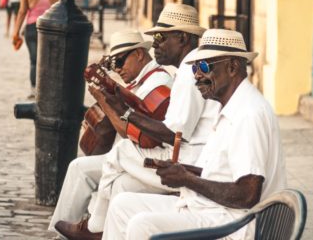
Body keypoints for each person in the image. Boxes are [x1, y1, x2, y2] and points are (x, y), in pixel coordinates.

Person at [53, 3, 221, 240]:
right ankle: (94, 229)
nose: (155, 45)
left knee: (121, 153)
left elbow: (174, 135)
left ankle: (94, 230)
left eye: (161, 38)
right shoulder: (189, 67)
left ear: (182, 38)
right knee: (121, 185)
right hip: (190, 156)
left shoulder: (189, 71)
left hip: (188, 162)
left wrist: (126, 113)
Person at [102, 29, 287, 240]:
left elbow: (247, 195)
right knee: (121, 205)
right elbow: (223, 173)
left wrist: (187, 179)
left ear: (233, 67)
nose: (197, 75)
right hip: (211, 209)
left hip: (234, 222)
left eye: (205, 67)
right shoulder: (228, 106)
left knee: (142, 225)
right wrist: (182, 171)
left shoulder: (248, 114)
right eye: (196, 68)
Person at [48, 30, 174, 237]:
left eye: (120, 61)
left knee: (82, 169)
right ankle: (65, 231)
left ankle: (85, 230)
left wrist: (105, 102)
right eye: (113, 63)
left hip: (148, 156)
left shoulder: (157, 83)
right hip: (136, 153)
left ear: (140, 54)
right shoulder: (142, 81)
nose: (117, 69)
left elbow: (132, 134)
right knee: (79, 167)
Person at [12, 0, 59, 99]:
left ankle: (34, 90)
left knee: (34, 61)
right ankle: (47, 90)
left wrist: (15, 32)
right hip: (49, 29)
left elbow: (22, 12)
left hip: (32, 28)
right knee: (48, 62)